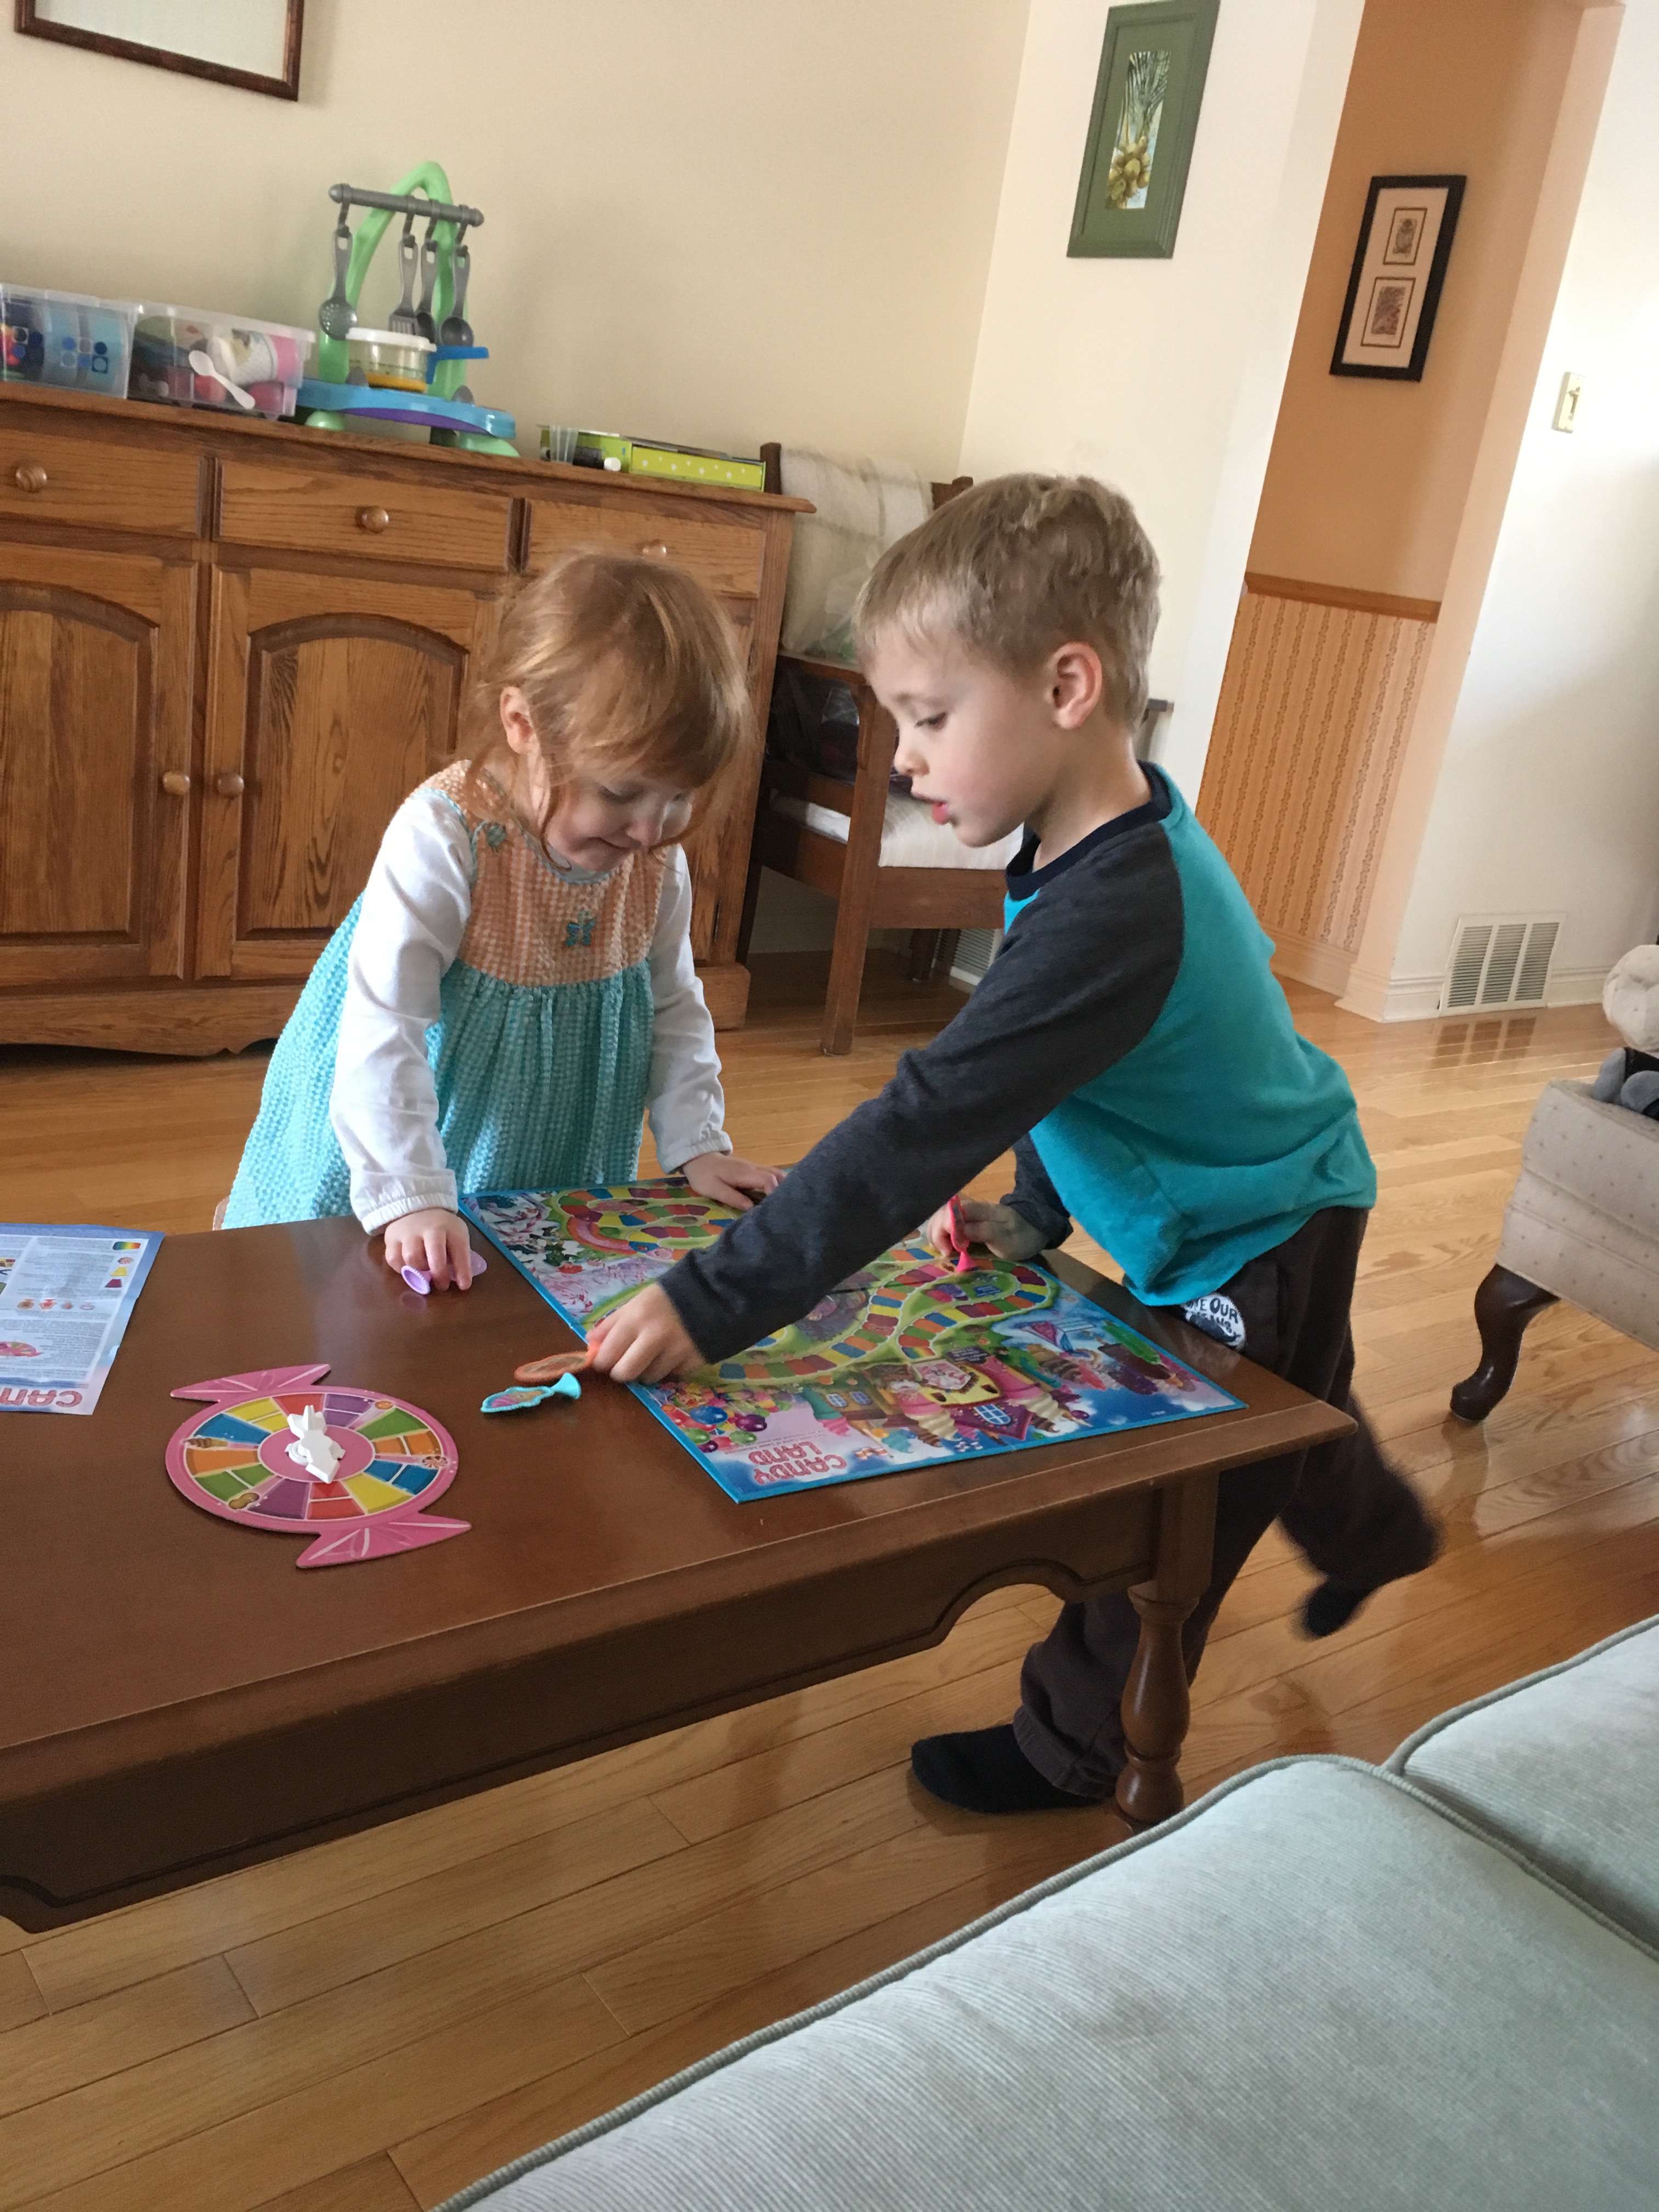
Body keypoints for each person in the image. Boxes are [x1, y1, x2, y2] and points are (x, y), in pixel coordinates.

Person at [585, 473, 1438, 1816]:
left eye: (929, 718)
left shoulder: (1120, 901)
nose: (902, 758)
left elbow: (926, 1121)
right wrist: (1038, 1208)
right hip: (1243, 1195)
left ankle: (1069, 1749)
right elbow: (1071, 1056)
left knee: (1184, 1492)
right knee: (1295, 1408)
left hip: (1261, 1223)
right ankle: (1380, 1532)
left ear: (1067, 687)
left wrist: (715, 1298)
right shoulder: (1090, 834)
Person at [223, 550, 781, 1282]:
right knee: (348, 1281)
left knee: (519, 1277)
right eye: (620, 792)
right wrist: (411, 1195)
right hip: (403, 1127)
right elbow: (386, 1023)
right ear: (522, 723)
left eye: (679, 798)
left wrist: (697, 1144)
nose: (651, 829)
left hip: (550, 1136)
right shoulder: (445, 836)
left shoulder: (650, 860)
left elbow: (672, 1006)